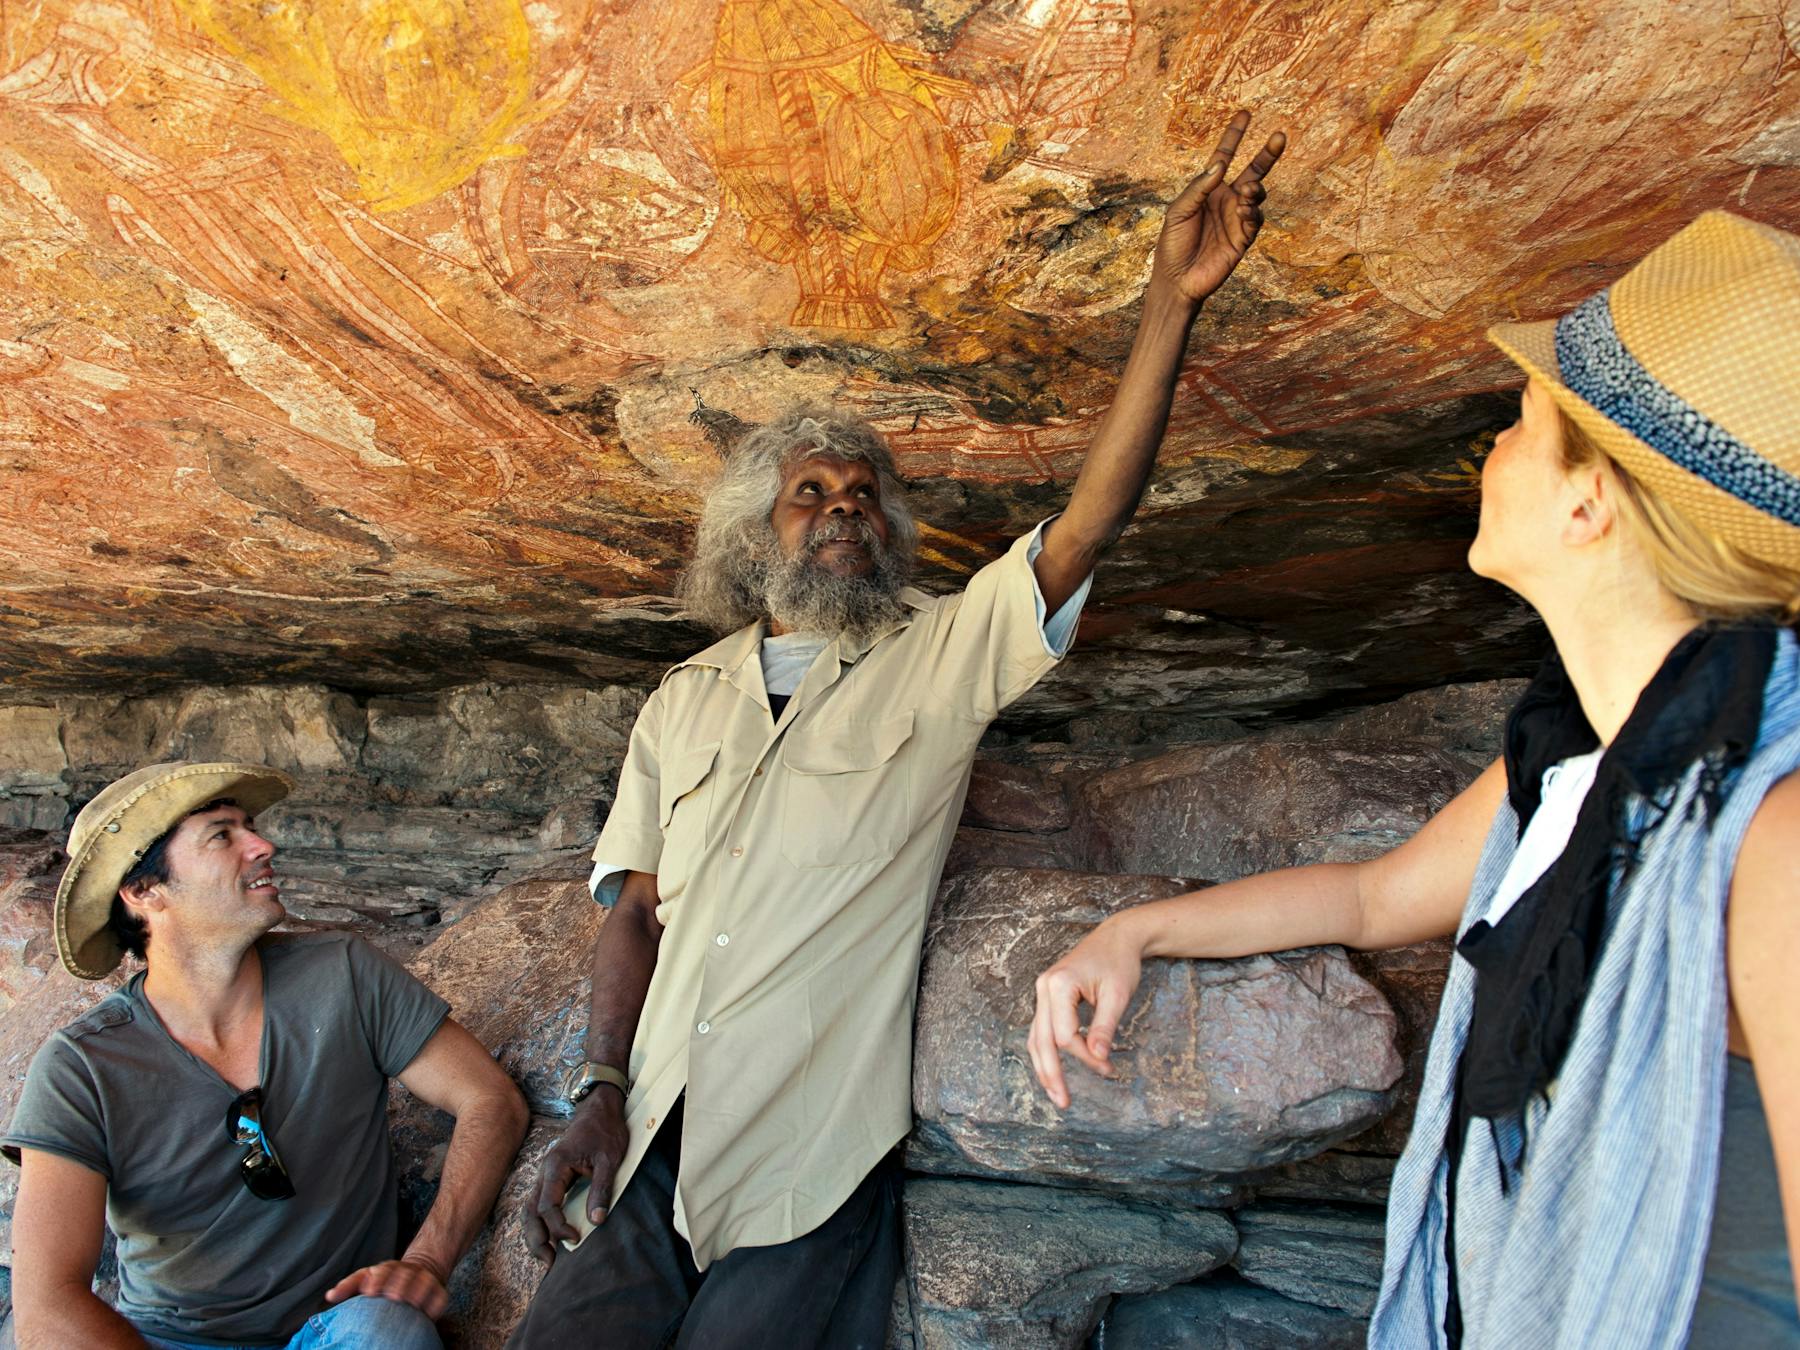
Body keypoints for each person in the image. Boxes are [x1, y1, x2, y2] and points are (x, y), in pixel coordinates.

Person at [507, 112, 1288, 1349]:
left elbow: (1089, 520)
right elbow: (633, 913)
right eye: (810, 493)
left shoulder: (934, 659)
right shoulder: (682, 697)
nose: (842, 509)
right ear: (751, 537)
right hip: (647, 1132)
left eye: (864, 494)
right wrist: (595, 1095)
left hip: (811, 1158)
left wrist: (1169, 306)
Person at [1029, 209, 1800, 1347]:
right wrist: (1136, 930)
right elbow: (1375, 897)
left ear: (1589, 504)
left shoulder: (1771, 832)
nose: (1490, 445)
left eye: (1525, 422)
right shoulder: (1585, 756)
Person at [5, 760, 530, 1349]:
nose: (263, 844)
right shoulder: (84, 1066)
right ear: (143, 891)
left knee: (388, 1331)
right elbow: (48, 1307)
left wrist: (429, 1260)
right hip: (164, 1342)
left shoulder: (344, 976)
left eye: (249, 825)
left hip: (333, 1330)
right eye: (221, 835)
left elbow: (491, 1100)